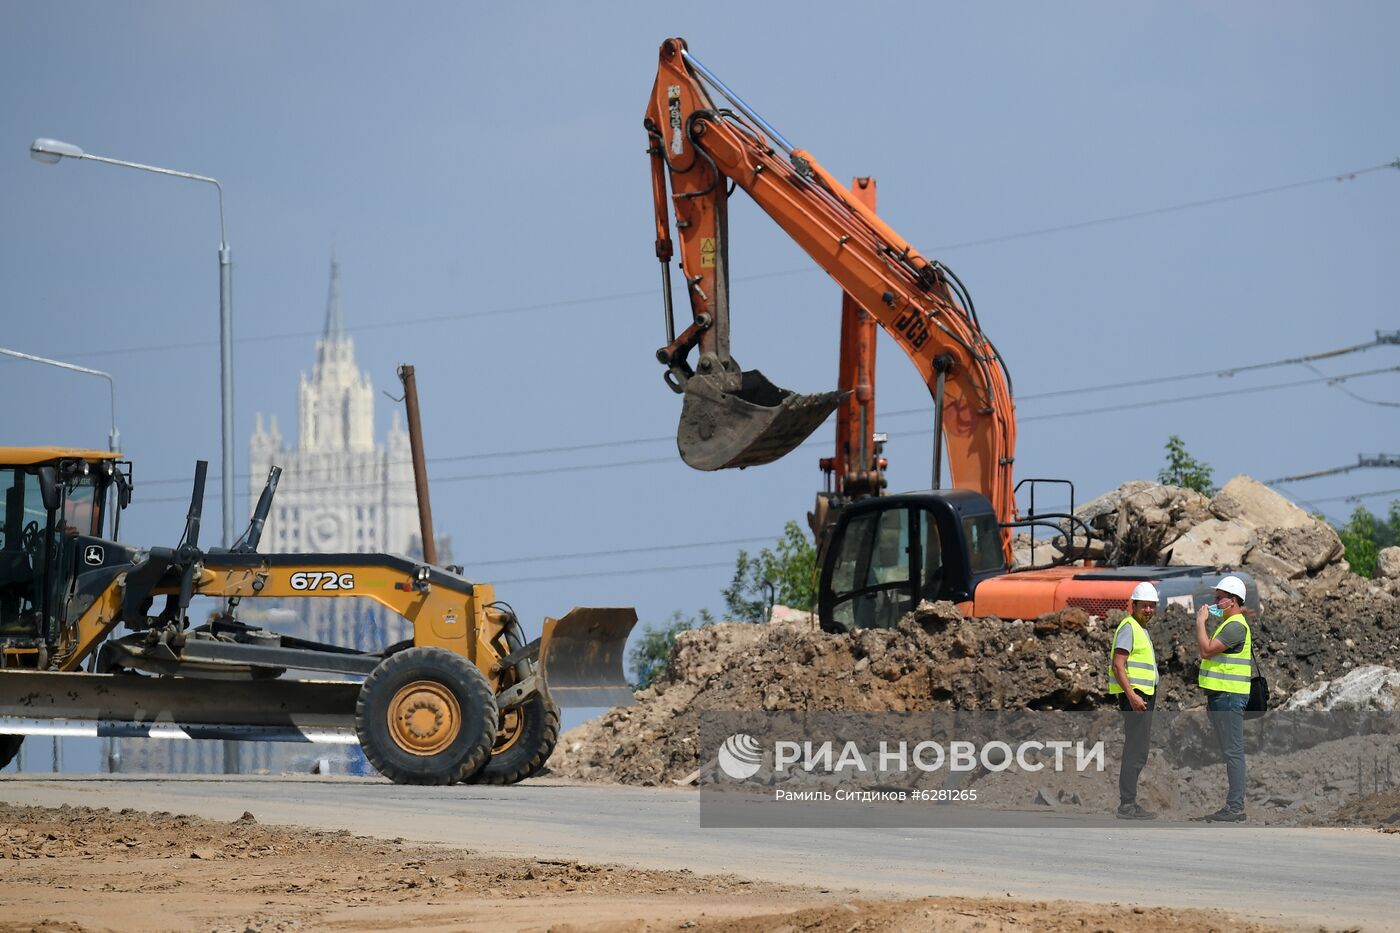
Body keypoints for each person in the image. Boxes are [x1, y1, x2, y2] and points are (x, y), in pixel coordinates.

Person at [1196, 574, 1253, 823]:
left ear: (1233, 600)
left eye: (1219, 598)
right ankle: (1233, 805)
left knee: (1233, 752)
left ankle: (1235, 807)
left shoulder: (1235, 626)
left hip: (1229, 696)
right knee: (1230, 751)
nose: (1215, 603)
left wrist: (1200, 623)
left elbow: (1206, 650)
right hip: (1222, 695)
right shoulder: (1229, 624)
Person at [1109, 581, 1160, 820]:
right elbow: (1118, 666)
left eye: (1152, 606)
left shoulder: (1141, 629)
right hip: (1136, 696)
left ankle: (1129, 802)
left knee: (1139, 749)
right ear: (1134, 605)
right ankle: (1127, 804)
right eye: (1144, 606)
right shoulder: (1129, 627)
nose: (1148, 610)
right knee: (1135, 750)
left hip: (1143, 694)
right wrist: (1132, 696)